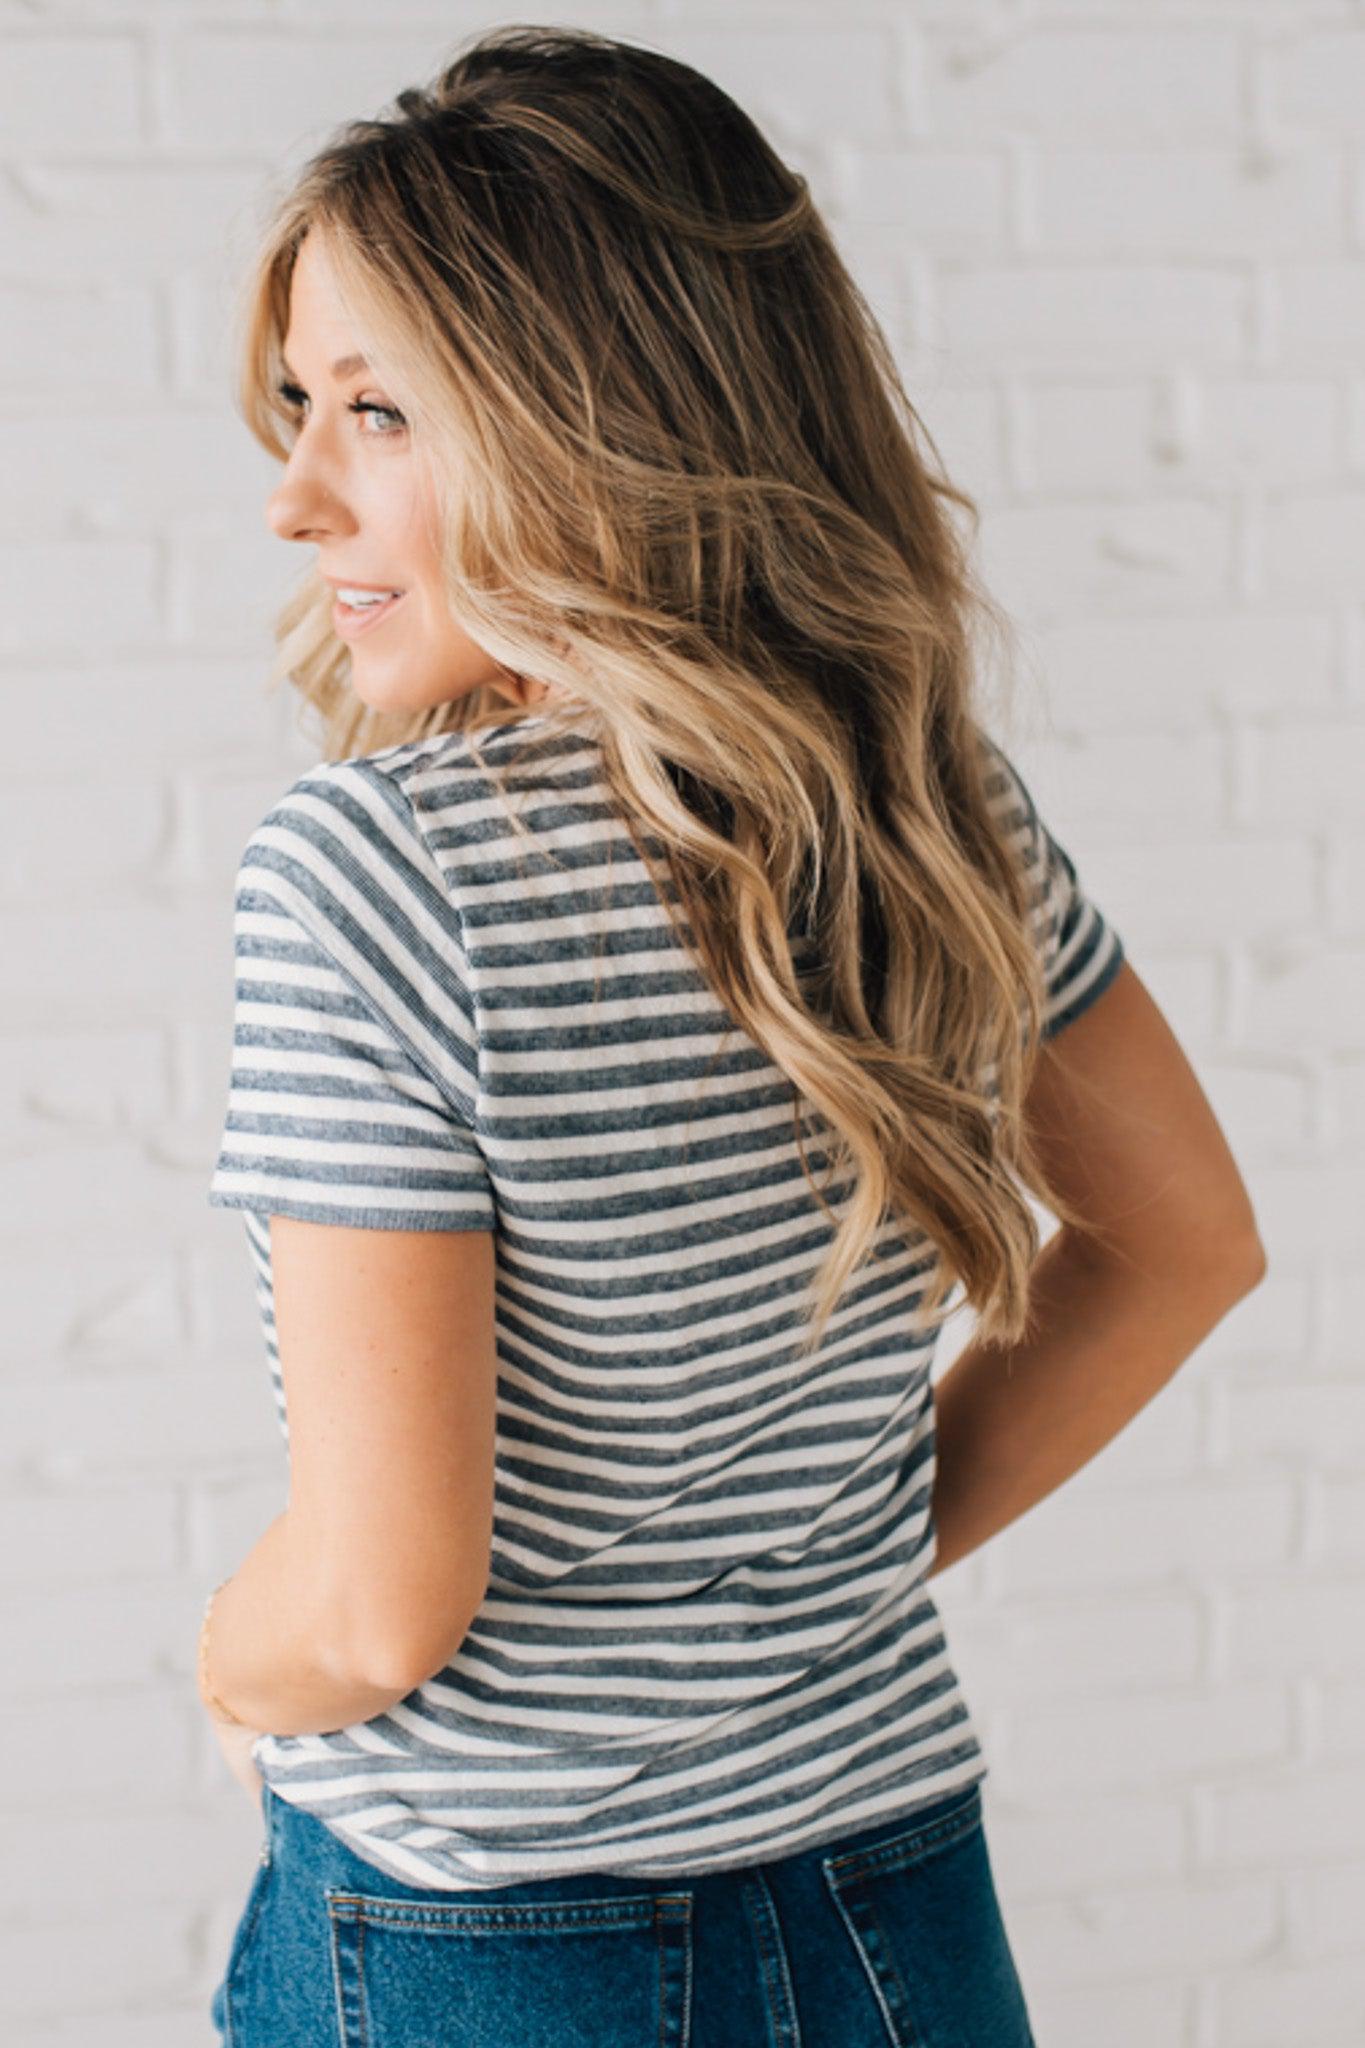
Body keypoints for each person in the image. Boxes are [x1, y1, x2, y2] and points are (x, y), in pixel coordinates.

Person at [200, 25, 1267, 2047]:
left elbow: (371, 1605)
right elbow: (1187, 1241)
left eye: (374, 412)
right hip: (896, 1899)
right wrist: (817, 1583)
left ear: (583, 430)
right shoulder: (921, 801)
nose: (294, 493)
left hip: (491, 1939)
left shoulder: (368, 874)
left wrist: (224, 1660)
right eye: (294, 407)